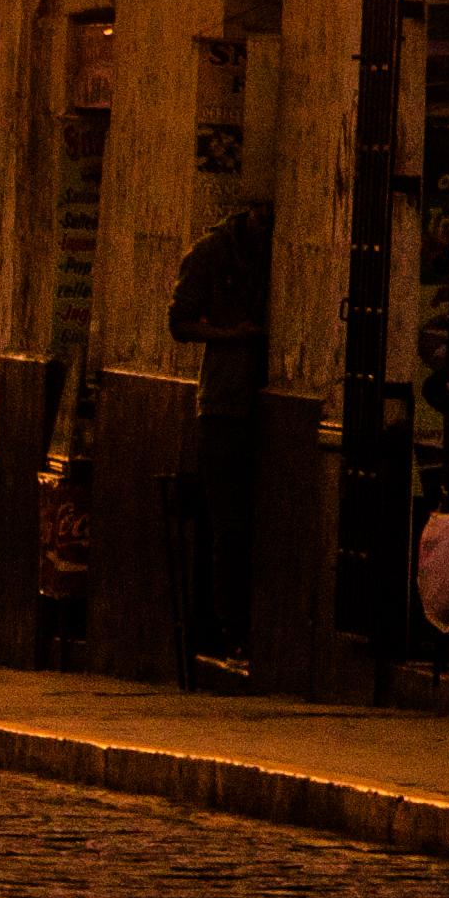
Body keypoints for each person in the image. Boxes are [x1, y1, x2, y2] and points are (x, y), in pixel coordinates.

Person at [169, 205, 273, 659]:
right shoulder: (212, 252)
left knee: (251, 524)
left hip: (257, 402)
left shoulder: (268, 252)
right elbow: (180, 323)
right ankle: (230, 631)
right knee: (229, 524)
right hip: (225, 403)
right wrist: (230, 335)